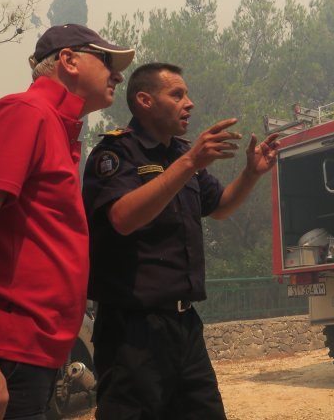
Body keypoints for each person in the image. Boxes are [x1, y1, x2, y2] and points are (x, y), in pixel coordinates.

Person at [0, 24, 135, 420]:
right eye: (107, 60)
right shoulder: (24, 114)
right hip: (1, 355)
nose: (118, 74)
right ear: (69, 60)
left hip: (26, 358)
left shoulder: (57, 129)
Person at [82, 62, 280, 419]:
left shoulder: (179, 155)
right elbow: (123, 219)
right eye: (177, 94)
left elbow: (219, 207)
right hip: (132, 331)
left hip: (185, 326)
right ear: (144, 101)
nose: (189, 103)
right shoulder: (117, 154)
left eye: (187, 94)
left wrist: (251, 174)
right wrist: (189, 162)